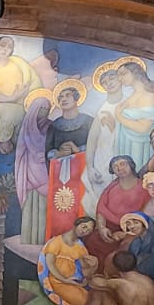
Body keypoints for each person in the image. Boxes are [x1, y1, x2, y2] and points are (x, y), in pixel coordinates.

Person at [44, 79, 93, 237]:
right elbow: (48, 150)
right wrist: (58, 154)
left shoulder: (88, 122)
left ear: (77, 98)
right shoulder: (54, 125)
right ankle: (58, 236)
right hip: (59, 176)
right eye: (60, 97)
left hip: (82, 172)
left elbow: (96, 146)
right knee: (60, 205)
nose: (63, 99)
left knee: (81, 204)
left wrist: (77, 150)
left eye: (67, 96)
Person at [109, 59, 154, 169]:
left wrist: (119, 116)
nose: (120, 79)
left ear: (135, 73)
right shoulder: (131, 98)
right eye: (118, 76)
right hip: (127, 147)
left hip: (140, 149)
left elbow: (144, 128)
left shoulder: (149, 96)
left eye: (123, 74)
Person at [13, 89, 53, 243]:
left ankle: (44, 238)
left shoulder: (50, 126)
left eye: (47, 109)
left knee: (44, 206)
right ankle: (29, 238)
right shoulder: (25, 129)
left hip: (45, 171)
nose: (45, 111)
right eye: (42, 108)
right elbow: (20, 153)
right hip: (29, 172)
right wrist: (22, 171)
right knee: (30, 205)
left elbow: (51, 145)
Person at [38, 216, 98, 305]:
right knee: (87, 303)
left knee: (94, 300)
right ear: (76, 224)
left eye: (88, 231)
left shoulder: (81, 248)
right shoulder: (56, 242)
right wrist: (64, 280)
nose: (84, 231)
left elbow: (85, 271)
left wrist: (94, 265)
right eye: (84, 227)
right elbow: (50, 264)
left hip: (73, 282)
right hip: (58, 282)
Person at [119, 212, 154, 303]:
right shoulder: (135, 243)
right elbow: (130, 262)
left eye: (135, 222)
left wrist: (136, 271)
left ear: (144, 224)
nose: (132, 226)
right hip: (140, 279)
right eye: (128, 224)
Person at [86, 63, 125, 194]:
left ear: (120, 79)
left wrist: (115, 127)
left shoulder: (129, 104)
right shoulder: (102, 109)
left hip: (124, 156)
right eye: (104, 82)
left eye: (112, 78)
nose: (109, 83)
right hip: (102, 159)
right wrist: (90, 167)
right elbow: (92, 140)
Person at [95, 155, 150, 246]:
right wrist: (102, 228)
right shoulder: (111, 187)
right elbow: (101, 209)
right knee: (93, 241)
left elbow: (146, 217)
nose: (119, 168)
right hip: (109, 228)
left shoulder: (144, 188)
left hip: (132, 230)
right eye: (115, 166)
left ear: (131, 165)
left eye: (123, 164)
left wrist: (126, 234)